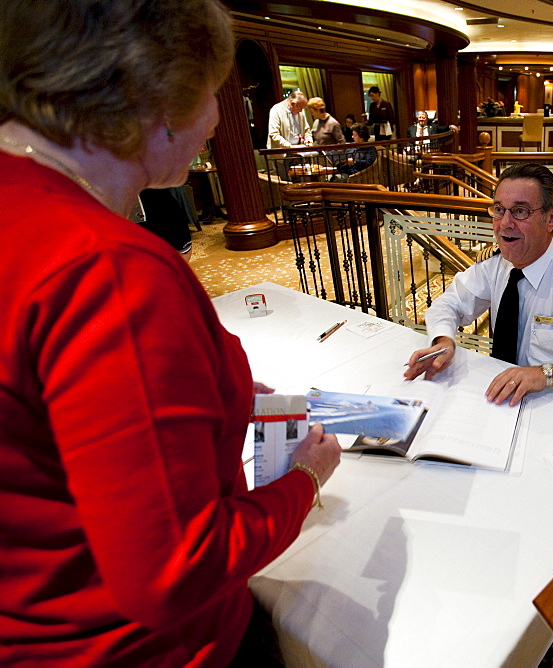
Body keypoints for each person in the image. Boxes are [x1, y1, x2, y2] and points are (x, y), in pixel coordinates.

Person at [0, 1, 342, 665]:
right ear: (161, 96)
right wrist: (303, 479)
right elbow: (174, 572)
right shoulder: (107, 271)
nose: (220, 118)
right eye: (216, 91)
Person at [404, 163, 553, 407]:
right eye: (499, 210)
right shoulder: (498, 262)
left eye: (520, 211)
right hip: (503, 399)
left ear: (551, 218)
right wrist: (443, 340)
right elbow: (449, 303)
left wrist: (547, 374)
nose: (505, 223)